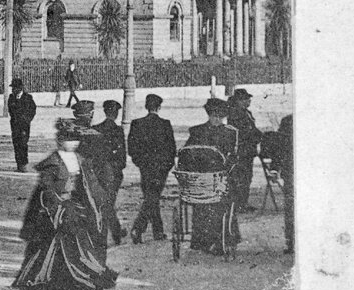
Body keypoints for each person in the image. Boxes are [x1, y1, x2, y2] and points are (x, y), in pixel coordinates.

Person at [11, 124, 119, 290]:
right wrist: (57, 208)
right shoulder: (52, 162)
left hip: (75, 207)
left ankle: (80, 281)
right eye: (69, 139)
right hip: (52, 211)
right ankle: (31, 283)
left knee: (82, 244)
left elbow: (90, 185)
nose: (73, 143)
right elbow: (46, 190)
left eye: (75, 139)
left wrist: (101, 201)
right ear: (59, 140)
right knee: (45, 248)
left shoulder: (79, 159)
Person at [177, 98, 240, 254]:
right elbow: (233, 158)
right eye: (216, 115)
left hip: (197, 182)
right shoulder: (230, 132)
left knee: (201, 207)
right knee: (226, 199)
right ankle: (223, 239)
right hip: (217, 180)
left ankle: (200, 241)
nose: (217, 118)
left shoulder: (196, 131)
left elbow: (187, 155)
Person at [127, 93, 177, 244]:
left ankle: (158, 231)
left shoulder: (137, 123)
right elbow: (172, 149)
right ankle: (139, 228)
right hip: (161, 169)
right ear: (159, 107)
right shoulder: (165, 124)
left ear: (146, 107)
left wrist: (140, 163)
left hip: (145, 167)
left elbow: (132, 148)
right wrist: (166, 167)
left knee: (151, 198)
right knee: (153, 198)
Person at [80, 100, 128, 245]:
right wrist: (117, 169)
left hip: (97, 172)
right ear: (117, 113)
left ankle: (114, 231)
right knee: (108, 204)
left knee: (102, 204)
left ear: (105, 112)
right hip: (113, 173)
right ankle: (110, 235)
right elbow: (122, 157)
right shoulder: (118, 131)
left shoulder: (96, 128)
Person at [260, 114, 295, 254]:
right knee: (292, 207)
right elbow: (280, 147)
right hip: (291, 172)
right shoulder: (288, 121)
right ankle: (292, 243)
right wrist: (275, 169)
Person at [227, 88, 262, 212]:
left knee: (246, 177)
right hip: (241, 151)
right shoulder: (236, 114)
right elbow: (245, 132)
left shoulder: (245, 112)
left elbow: (252, 129)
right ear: (239, 101)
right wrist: (258, 136)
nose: (249, 101)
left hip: (248, 151)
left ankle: (242, 203)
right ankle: (239, 204)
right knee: (241, 177)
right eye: (246, 99)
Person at [7, 77, 37, 172]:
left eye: (14, 88)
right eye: (12, 88)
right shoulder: (11, 98)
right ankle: (19, 165)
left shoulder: (28, 98)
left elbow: (33, 110)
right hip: (15, 125)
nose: (13, 90)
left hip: (24, 126)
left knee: (23, 144)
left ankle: (24, 164)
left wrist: (27, 120)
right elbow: (10, 110)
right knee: (16, 144)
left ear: (20, 88)